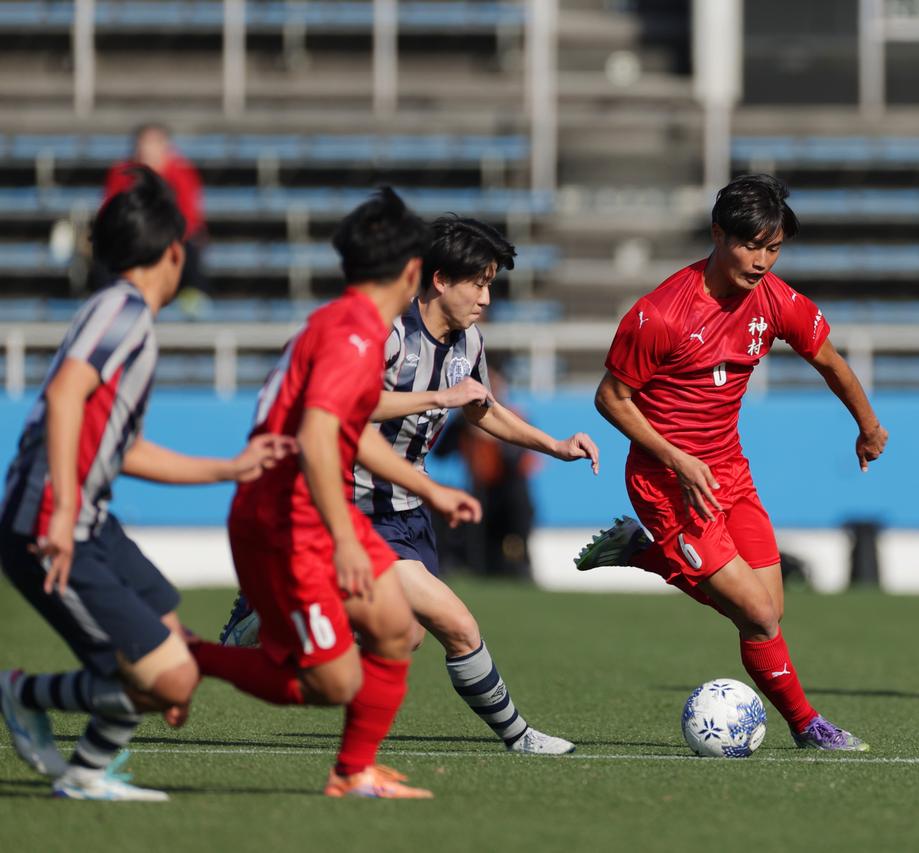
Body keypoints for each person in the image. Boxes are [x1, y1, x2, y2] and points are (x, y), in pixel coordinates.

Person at [222, 215, 599, 755]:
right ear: (441, 279)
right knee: (457, 625)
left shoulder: (469, 343)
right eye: (479, 282)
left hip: (407, 511)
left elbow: (482, 411)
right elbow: (348, 406)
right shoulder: (389, 332)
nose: (486, 298)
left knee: (408, 635)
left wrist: (554, 445)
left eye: (491, 283)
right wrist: (437, 398)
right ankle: (519, 737)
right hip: (354, 505)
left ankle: (273, 614)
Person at [0, 167, 291, 801]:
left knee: (172, 636)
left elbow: (119, 446)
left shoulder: (124, 315)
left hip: (87, 519)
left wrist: (226, 468)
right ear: (175, 252)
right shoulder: (123, 311)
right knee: (172, 679)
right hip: (51, 521)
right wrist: (62, 512)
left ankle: (84, 771)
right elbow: (65, 393)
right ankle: (25, 696)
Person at [574, 174, 888, 751]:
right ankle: (808, 727)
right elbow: (609, 398)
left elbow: (830, 361)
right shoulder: (660, 314)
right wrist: (676, 457)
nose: (762, 261)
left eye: (773, 248)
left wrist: (867, 427)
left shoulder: (774, 298)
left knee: (771, 610)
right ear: (718, 235)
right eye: (750, 246)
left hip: (729, 473)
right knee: (759, 616)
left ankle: (640, 553)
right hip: (666, 481)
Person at [186, 189, 482, 798]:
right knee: (332, 683)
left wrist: (430, 489)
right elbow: (323, 440)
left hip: (303, 511)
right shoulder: (354, 336)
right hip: (283, 520)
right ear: (411, 274)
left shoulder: (343, 323)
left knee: (398, 631)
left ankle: (353, 772)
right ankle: (187, 656)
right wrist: (348, 539)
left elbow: (351, 434)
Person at [101, 124, 209, 312]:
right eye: (144, 143)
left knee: (191, 246)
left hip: (170, 238)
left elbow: (190, 217)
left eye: (153, 143)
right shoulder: (122, 172)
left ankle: (191, 294)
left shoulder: (182, 173)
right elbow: (110, 212)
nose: (147, 150)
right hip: (132, 239)